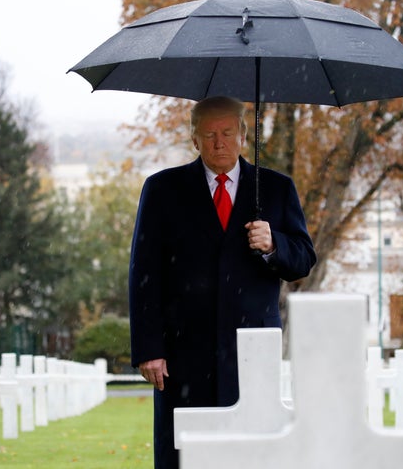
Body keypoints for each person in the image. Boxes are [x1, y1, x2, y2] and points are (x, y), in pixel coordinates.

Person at [128, 96, 317, 469]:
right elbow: (143, 273)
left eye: (228, 132)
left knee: (250, 455)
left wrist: (274, 243)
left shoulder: (276, 189)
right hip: (182, 355)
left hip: (252, 353)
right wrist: (149, 348)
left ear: (244, 135)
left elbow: (303, 261)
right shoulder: (162, 190)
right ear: (194, 139)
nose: (219, 142)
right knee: (184, 454)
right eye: (209, 134)